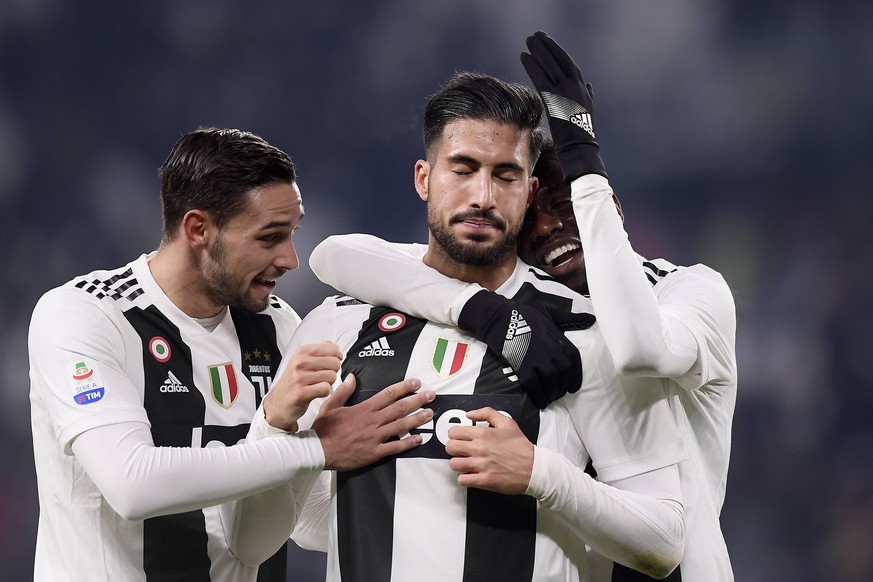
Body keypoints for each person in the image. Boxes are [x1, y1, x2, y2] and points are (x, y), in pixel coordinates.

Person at [307, 31, 738, 581]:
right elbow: (336, 254)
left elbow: (639, 348)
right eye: (534, 217)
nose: (552, 229)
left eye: (567, 205)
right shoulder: (518, 307)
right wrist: (481, 309)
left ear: (608, 205)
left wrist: (584, 159)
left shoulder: (689, 291)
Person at [228, 72, 688, 580]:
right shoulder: (338, 325)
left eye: (505, 176)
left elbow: (663, 541)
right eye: (463, 170)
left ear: (529, 189)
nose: (483, 196)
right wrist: (279, 429)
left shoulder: (581, 329)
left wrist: (543, 475)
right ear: (424, 178)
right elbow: (254, 545)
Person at [27, 127, 435, 582]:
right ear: (199, 229)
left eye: (293, 233)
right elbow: (133, 483)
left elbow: (287, 530)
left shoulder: (277, 326)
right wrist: (314, 449)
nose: (291, 259)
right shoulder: (85, 315)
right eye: (270, 238)